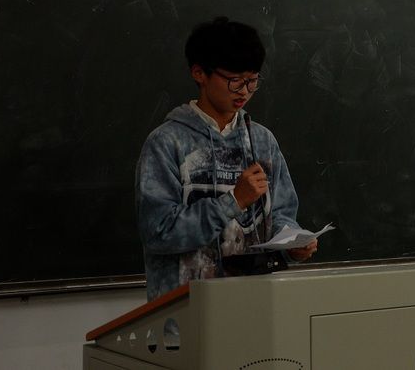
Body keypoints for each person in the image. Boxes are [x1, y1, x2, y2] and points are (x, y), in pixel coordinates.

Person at [136, 17, 317, 301]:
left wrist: (293, 244)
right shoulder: (167, 142)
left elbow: (281, 215)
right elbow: (158, 232)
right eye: (235, 80)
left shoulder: (262, 141)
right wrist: (233, 201)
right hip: (185, 311)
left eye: (252, 81)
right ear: (199, 73)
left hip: (254, 306)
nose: (244, 91)